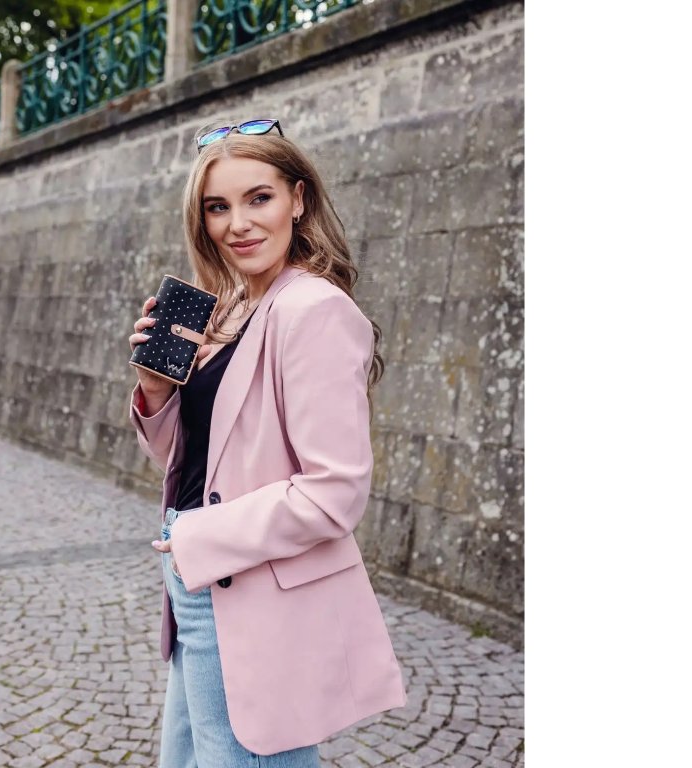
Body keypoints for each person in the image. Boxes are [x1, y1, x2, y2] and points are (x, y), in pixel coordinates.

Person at [127, 119, 407, 767]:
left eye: (259, 198)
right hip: (201, 574)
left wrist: (196, 537)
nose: (239, 224)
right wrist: (157, 388)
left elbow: (333, 495)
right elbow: (194, 463)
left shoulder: (313, 310)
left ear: (298, 199)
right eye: (217, 207)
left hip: (246, 583)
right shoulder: (229, 308)